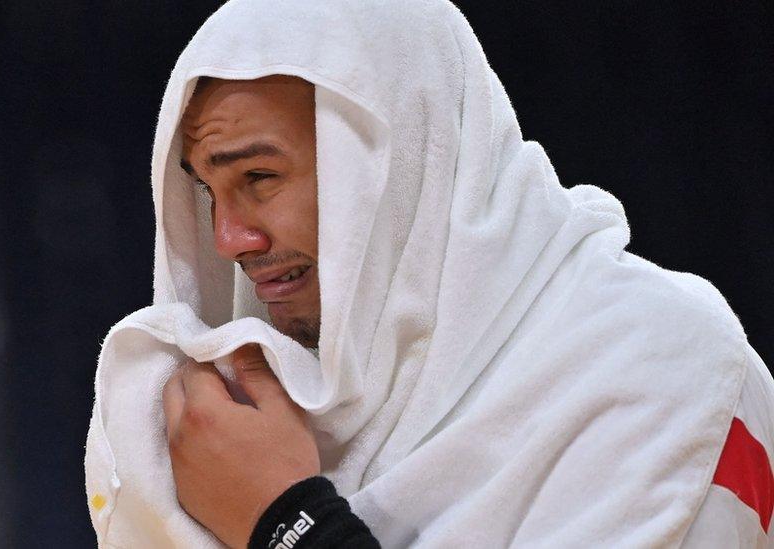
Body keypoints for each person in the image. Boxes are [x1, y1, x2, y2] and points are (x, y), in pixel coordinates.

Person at [84, 1, 774, 547]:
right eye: (207, 192)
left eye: (259, 177)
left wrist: (285, 520)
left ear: (406, 163)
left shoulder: (653, 365)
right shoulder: (248, 422)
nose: (230, 238)